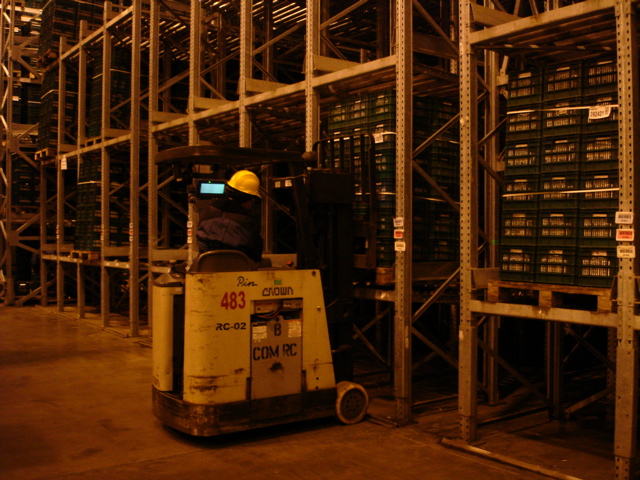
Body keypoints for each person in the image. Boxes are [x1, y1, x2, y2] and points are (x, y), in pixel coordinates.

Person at [196, 170, 263, 263]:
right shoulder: (248, 222)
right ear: (246, 199)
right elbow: (256, 256)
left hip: (205, 268)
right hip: (240, 272)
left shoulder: (206, 213)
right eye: (252, 200)